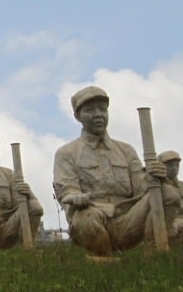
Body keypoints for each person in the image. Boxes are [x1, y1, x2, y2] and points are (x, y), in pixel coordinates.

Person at [53, 87, 180, 255]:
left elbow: (142, 189)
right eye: (90, 110)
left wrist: (156, 178)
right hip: (93, 218)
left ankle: (154, 254)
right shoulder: (67, 153)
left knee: (169, 194)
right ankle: (105, 261)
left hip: (129, 219)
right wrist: (74, 196)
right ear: (78, 116)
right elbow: (67, 188)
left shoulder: (126, 150)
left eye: (102, 109)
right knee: (86, 219)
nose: (98, 114)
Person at [157, 150, 183, 242]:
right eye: (170, 165)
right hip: (166, 223)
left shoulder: (181, 185)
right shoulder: (156, 186)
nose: (174, 168)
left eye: (177, 165)